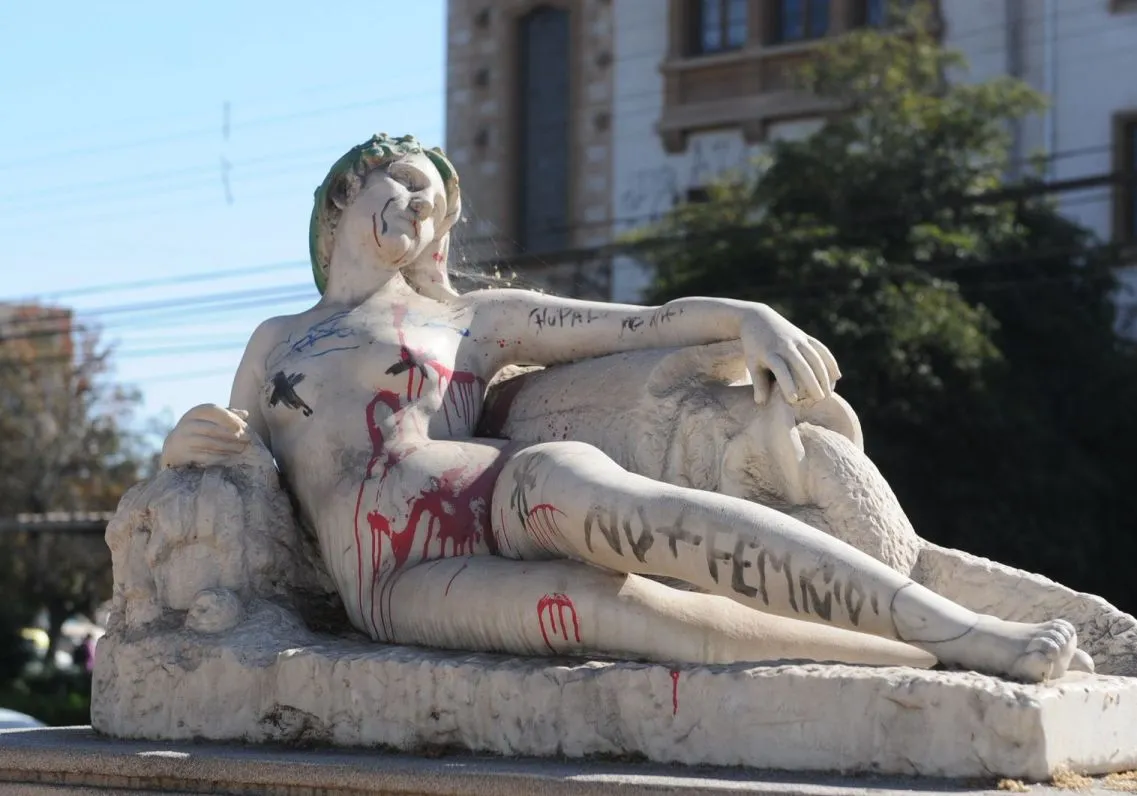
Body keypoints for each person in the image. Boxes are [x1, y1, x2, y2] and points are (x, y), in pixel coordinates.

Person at [162, 134, 1089, 682]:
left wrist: (747, 317)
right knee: (622, 613)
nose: (422, 209)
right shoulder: (276, 339)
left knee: (663, 520)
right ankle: (911, 660)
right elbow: (237, 485)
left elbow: (635, 326)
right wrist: (181, 452)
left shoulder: (468, 319)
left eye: (437, 204)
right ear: (344, 193)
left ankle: (964, 635)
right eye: (402, 185)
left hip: (501, 491)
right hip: (396, 578)